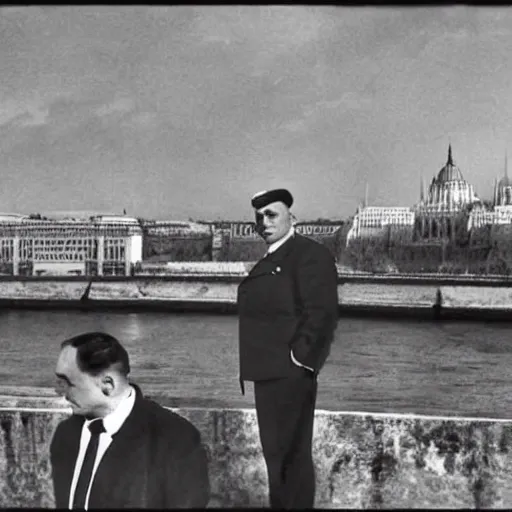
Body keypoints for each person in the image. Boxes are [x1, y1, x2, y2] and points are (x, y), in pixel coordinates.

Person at [237, 188, 339, 509]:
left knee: (290, 459)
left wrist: (301, 361)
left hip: (288, 373)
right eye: (259, 217)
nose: (264, 222)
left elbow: (321, 313)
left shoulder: (308, 254)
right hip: (268, 372)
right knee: (278, 459)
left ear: (291, 218)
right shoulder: (277, 256)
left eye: (271, 215)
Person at [50, 331, 210, 509]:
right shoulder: (65, 435)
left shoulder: (176, 441)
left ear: (107, 385)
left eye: (67, 383)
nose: (59, 391)